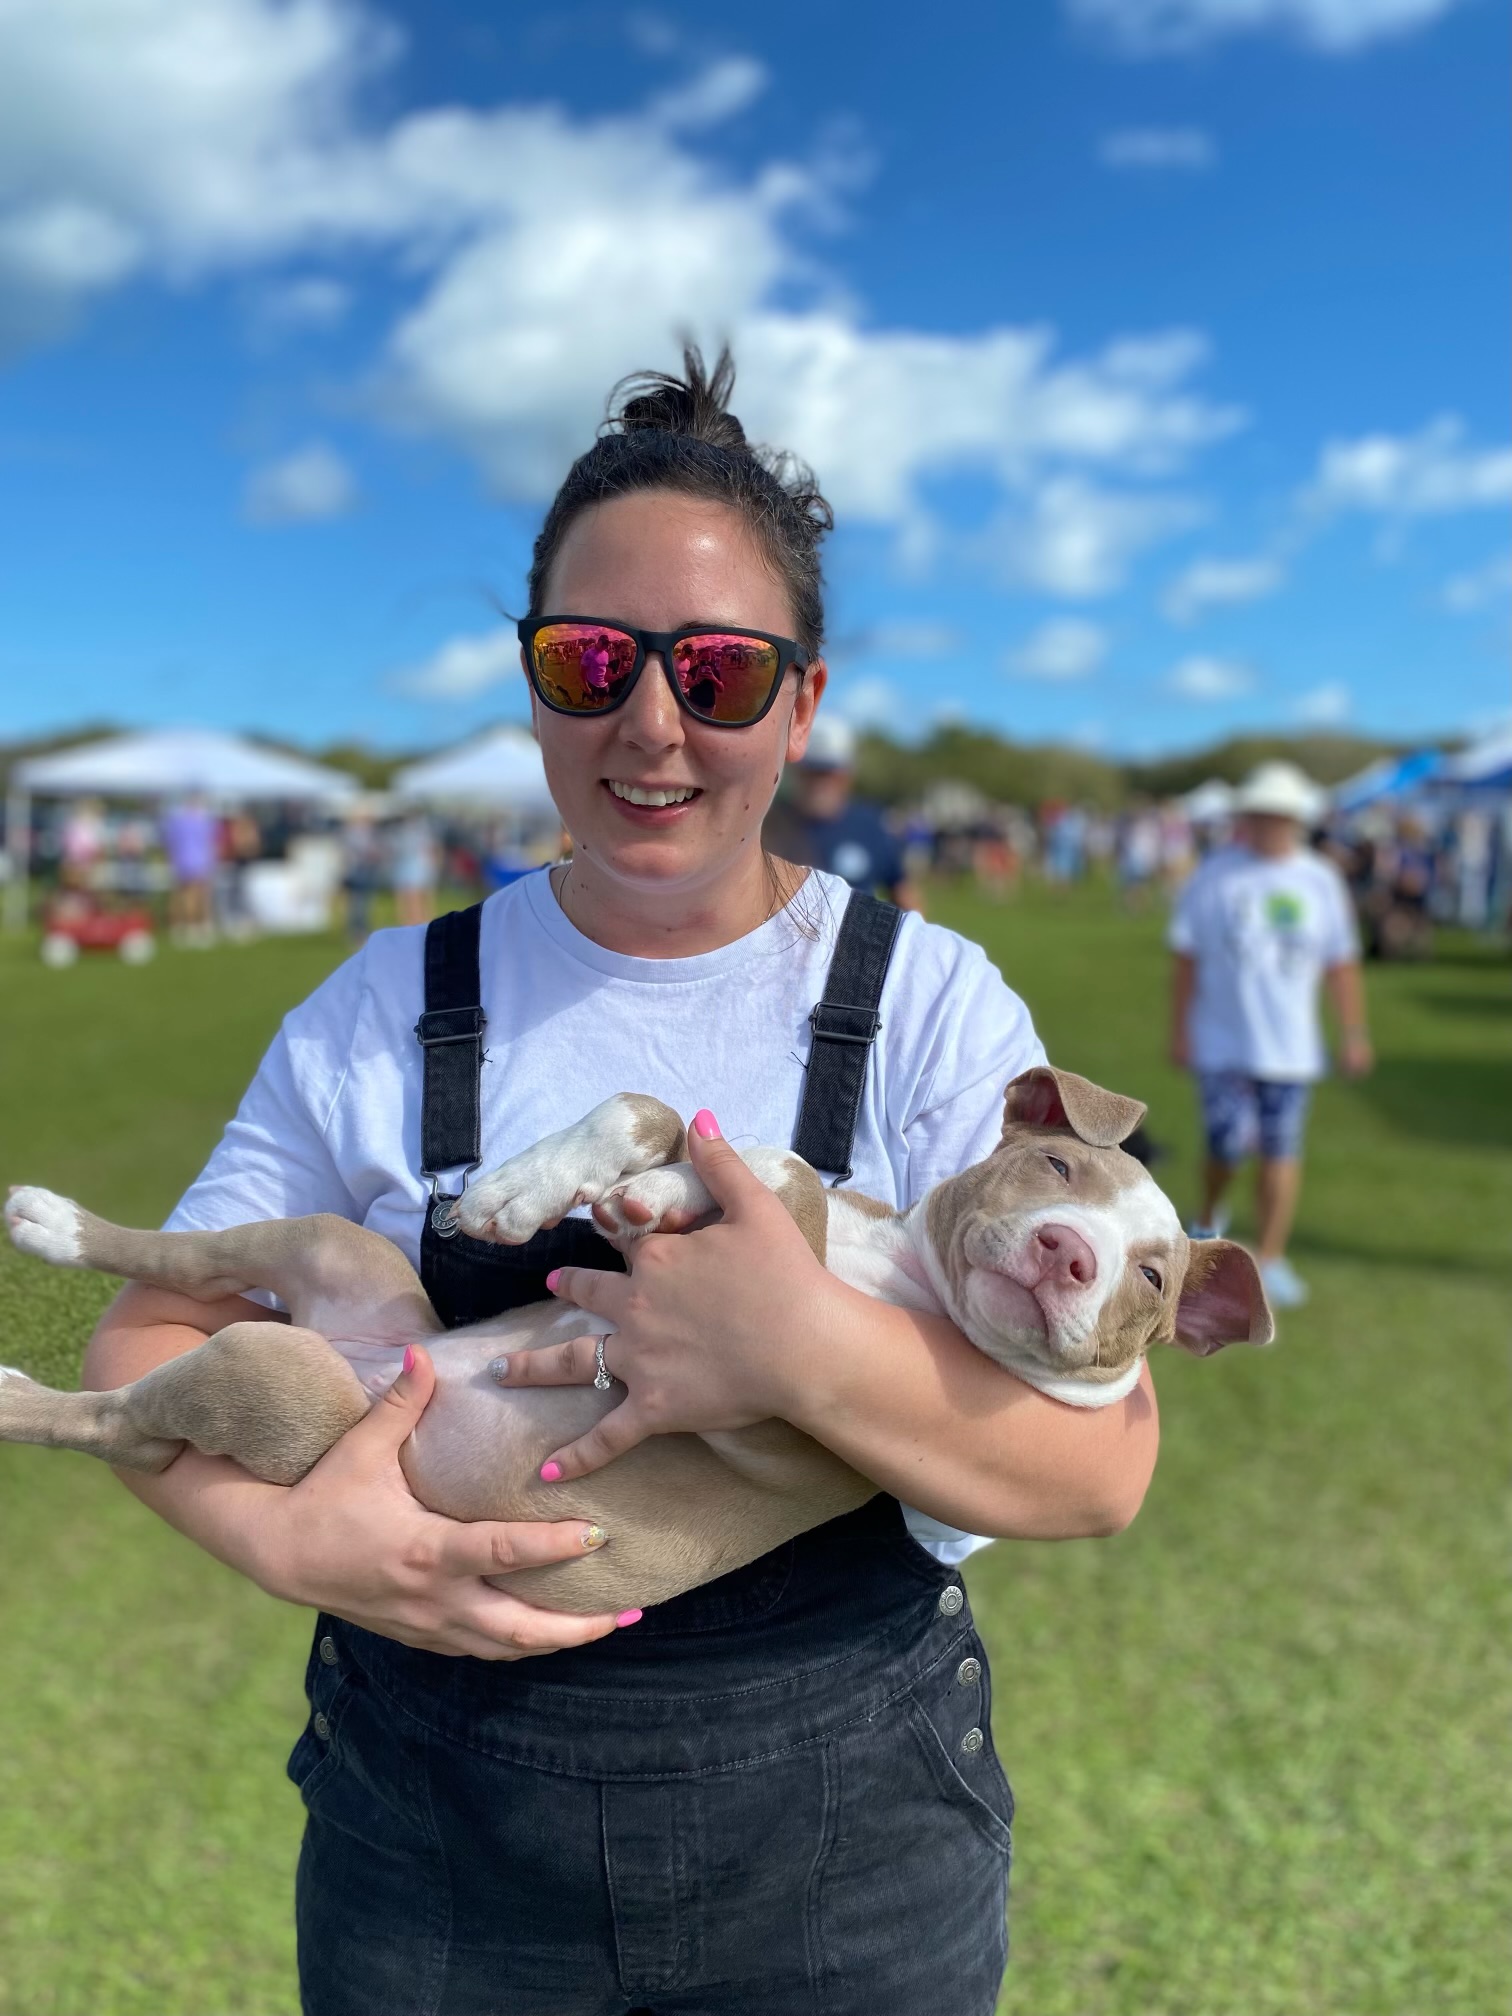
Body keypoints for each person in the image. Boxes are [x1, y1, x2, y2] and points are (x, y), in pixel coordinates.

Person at [81, 347, 1159, 2015]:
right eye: (592, 661)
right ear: (532, 688)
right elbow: (144, 1343)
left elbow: (1101, 1469)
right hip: (436, 1830)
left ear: (801, 703)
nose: (651, 725)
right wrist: (294, 1544)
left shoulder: (932, 1005)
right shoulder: (388, 1001)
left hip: (844, 1837)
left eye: (719, 675)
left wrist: (790, 1347)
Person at [1169, 760, 1374, 1309]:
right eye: (1258, 816)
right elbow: (1185, 954)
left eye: (1277, 818)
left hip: (1290, 1048)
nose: (1267, 827)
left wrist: (1353, 1031)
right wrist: (1181, 1028)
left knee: (1282, 1150)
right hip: (1223, 1042)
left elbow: (1341, 961)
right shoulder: (1215, 874)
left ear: (1296, 821)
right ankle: (1208, 1218)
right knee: (1226, 1143)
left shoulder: (1319, 880)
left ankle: (1273, 1256)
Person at [762, 713, 923, 908]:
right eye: (812, 772)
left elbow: (902, 891)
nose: (819, 783)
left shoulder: (869, 825)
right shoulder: (769, 825)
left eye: (828, 773)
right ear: (797, 772)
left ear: (847, 775)